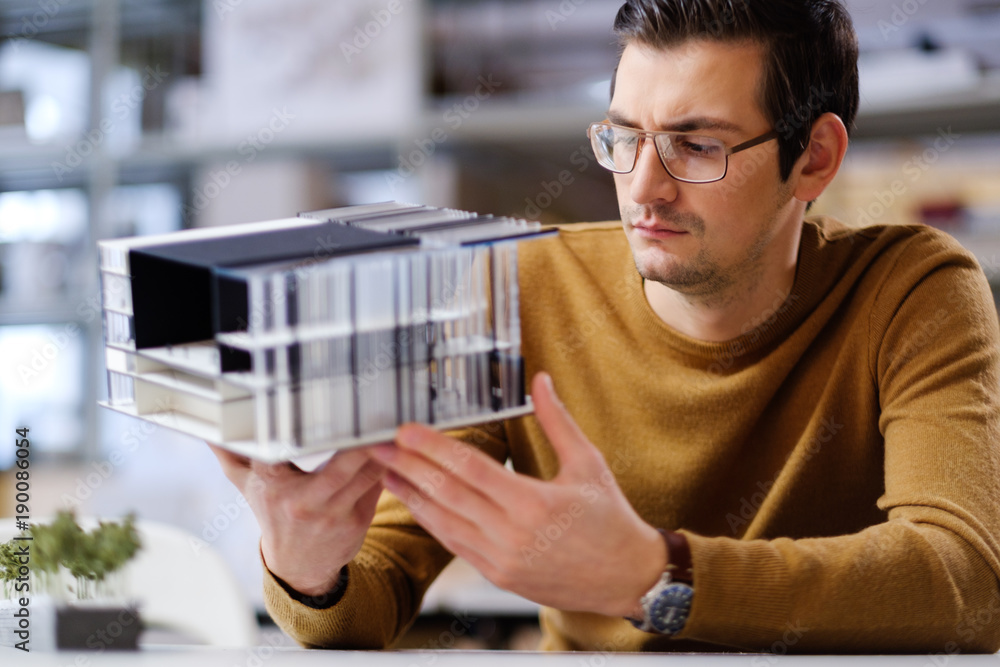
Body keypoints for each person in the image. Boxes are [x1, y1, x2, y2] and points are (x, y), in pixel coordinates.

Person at [210, 0, 1000, 653]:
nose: (643, 188)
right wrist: (308, 569)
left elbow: (963, 580)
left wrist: (655, 574)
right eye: (623, 138)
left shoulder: (913, 290)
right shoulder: (521, 285)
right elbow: (369, 601)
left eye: (697, 145)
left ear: (815, 157)